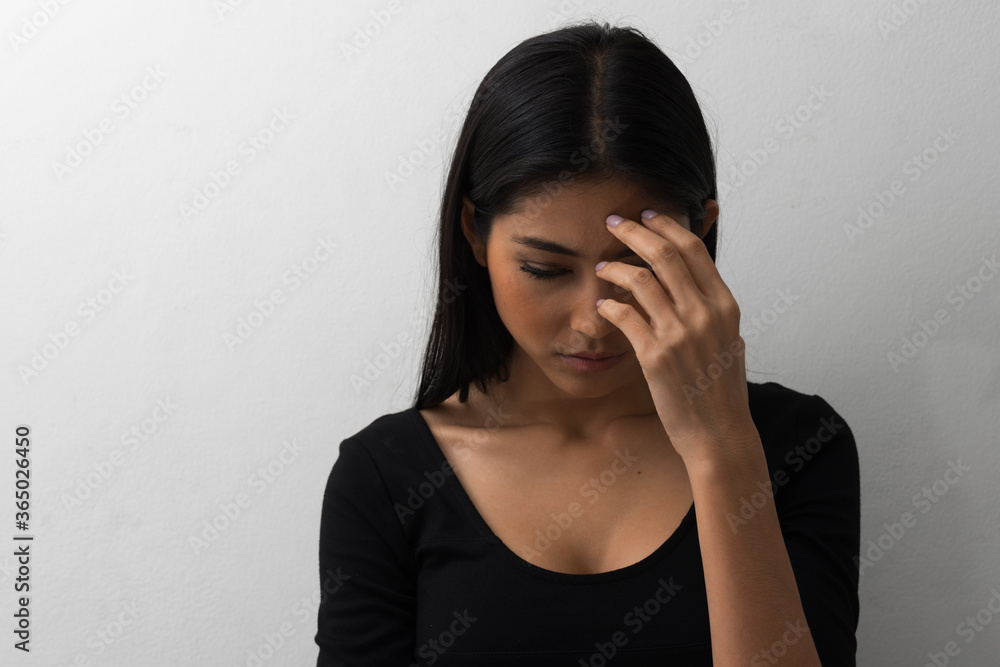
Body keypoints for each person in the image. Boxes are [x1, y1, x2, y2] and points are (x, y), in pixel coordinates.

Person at [315, 20, 860, 666]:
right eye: (545, 270)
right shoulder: (385, 478)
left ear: (700, 236)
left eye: (633, 267)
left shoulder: (795, 445)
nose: (593, 321)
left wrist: (720, 447)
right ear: (475, 232)